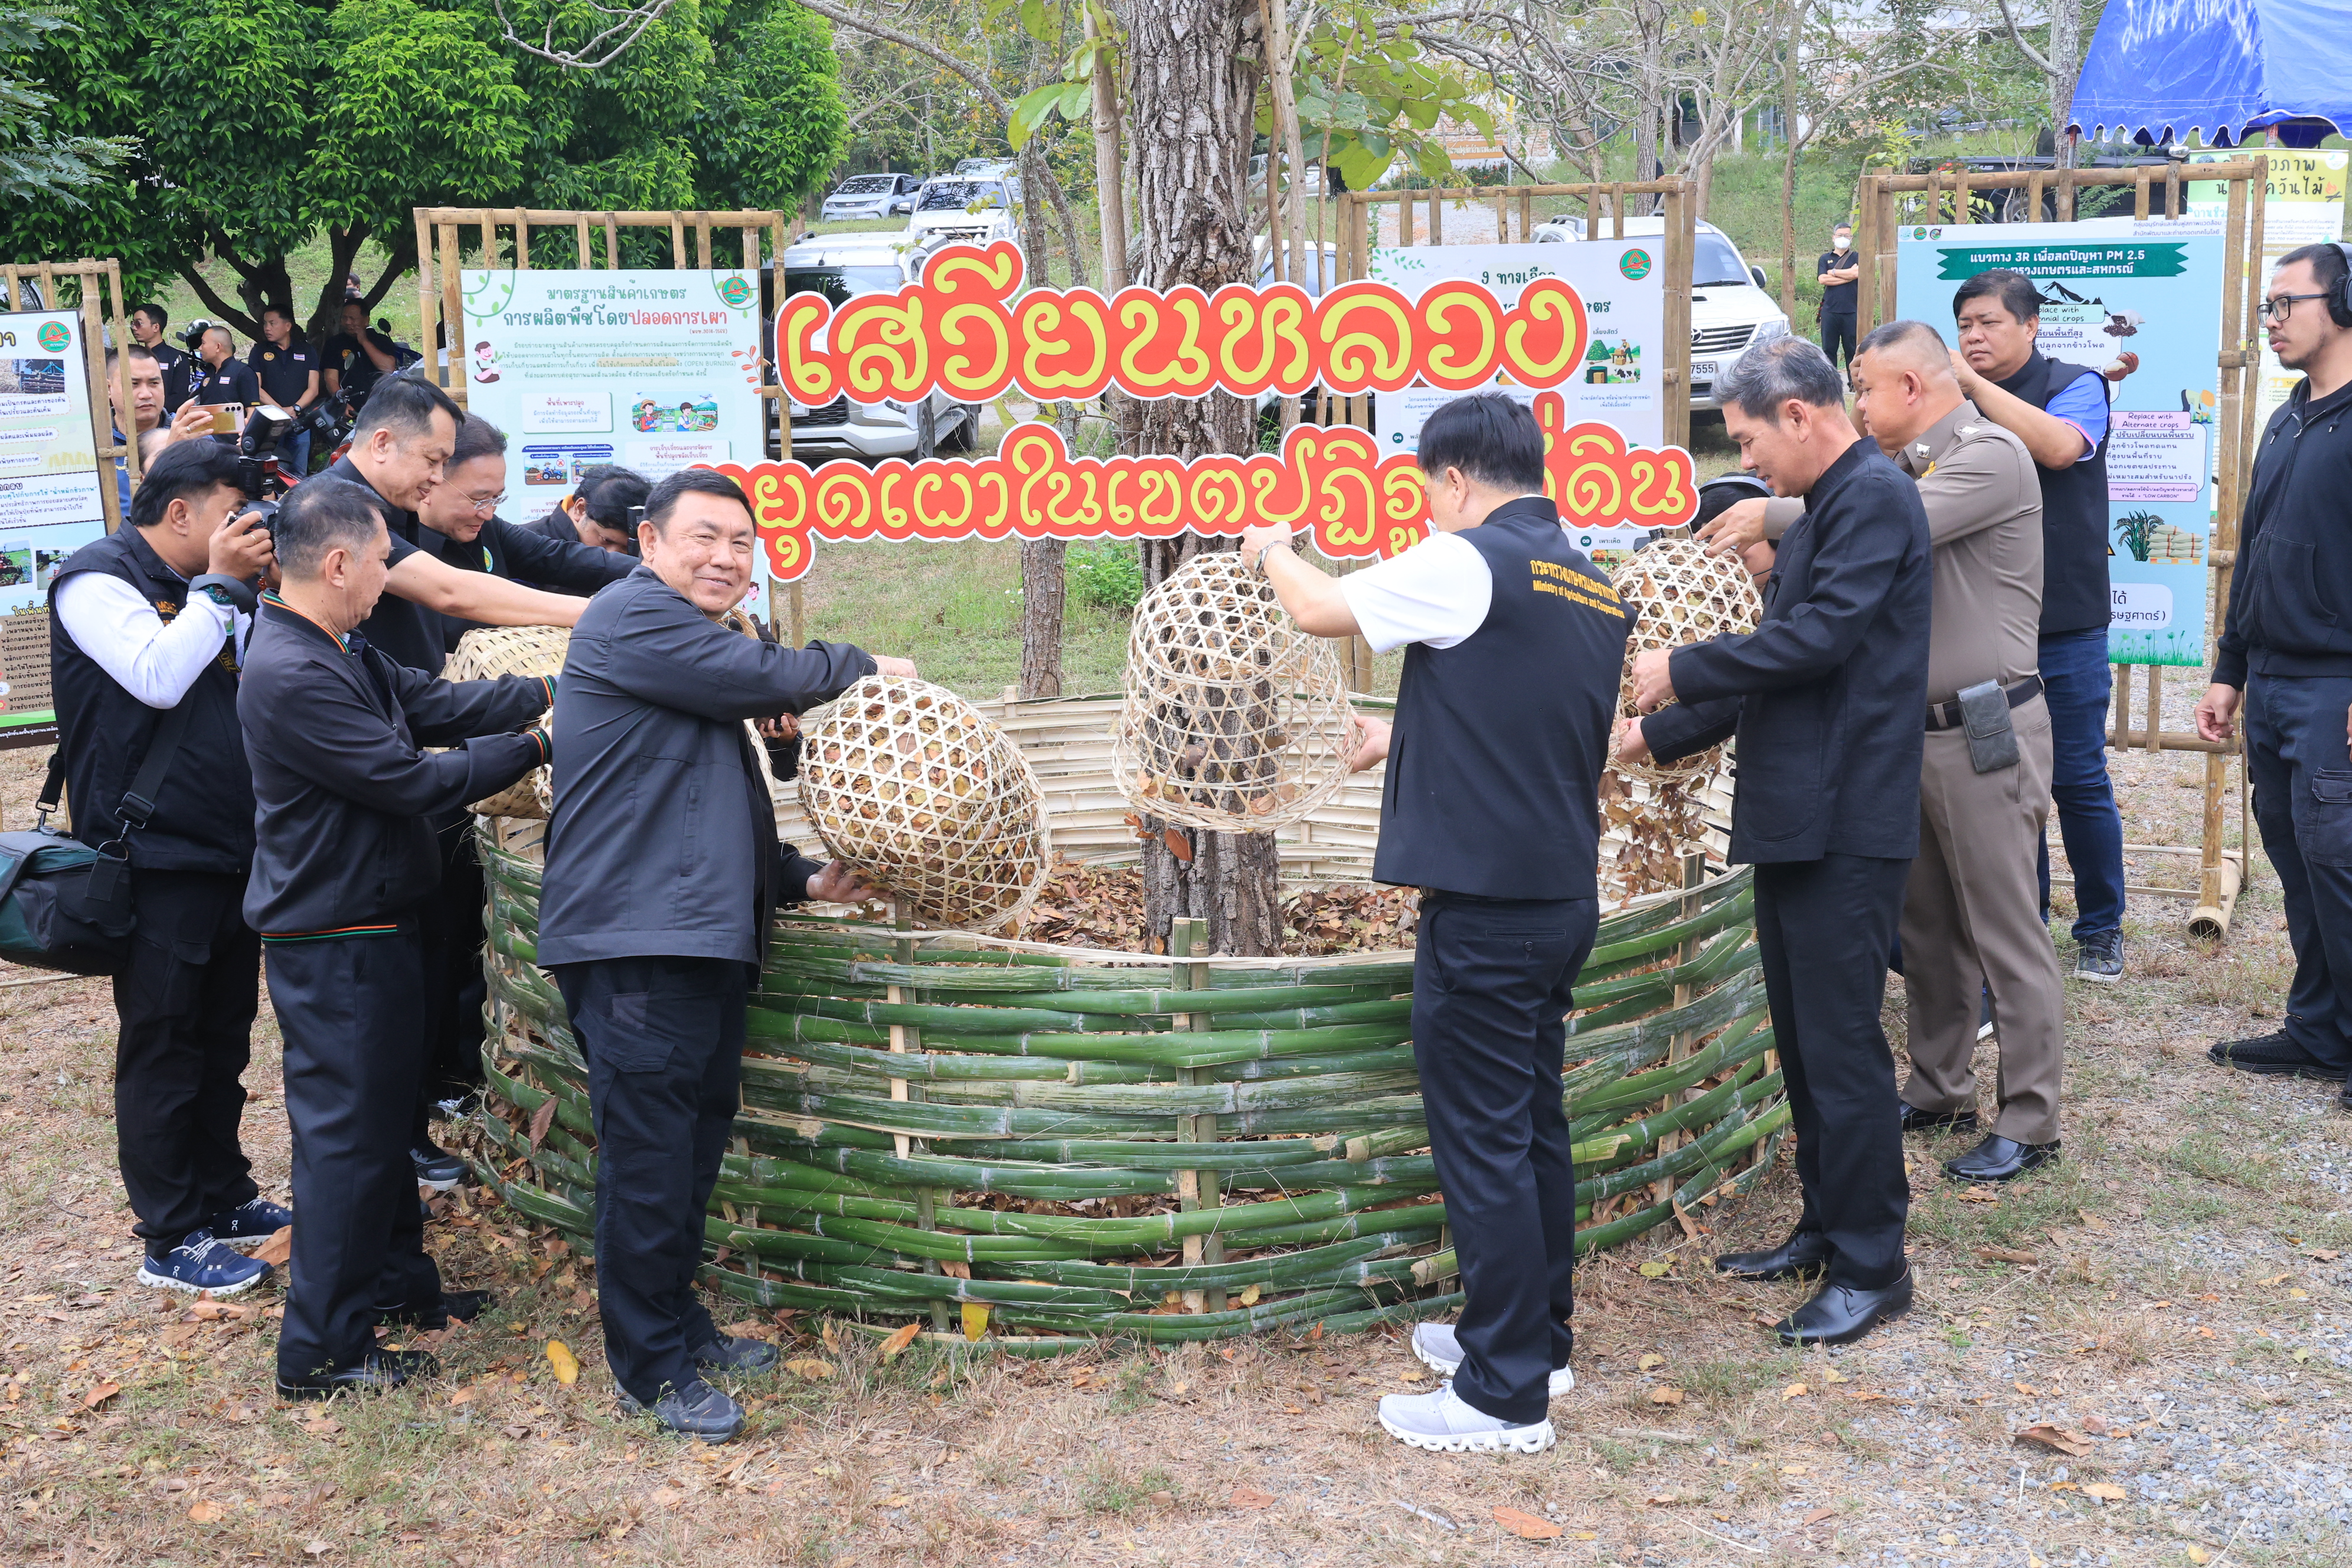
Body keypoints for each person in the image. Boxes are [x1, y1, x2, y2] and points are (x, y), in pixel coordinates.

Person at [1238, 391, 1628, 1457]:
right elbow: (1519, 719)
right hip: (1555, 896)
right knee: (1531, 1127)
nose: (1425, 512)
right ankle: (1535, 1340)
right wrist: (1397, 736)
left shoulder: (1470, 560)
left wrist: (1269, 547)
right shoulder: (1586, 581)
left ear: (1454, 480)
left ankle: (1501, 1397)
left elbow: (1319, 609)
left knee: (1484, 1143)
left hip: (1487, 912)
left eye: (1424, 493)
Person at [538, 469, 906, 1442]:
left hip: (690, 941)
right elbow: (772, 676)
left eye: (741, 543)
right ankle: (649, 1369)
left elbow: (696, 806)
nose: (726, 557)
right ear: (649, 542)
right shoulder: (632, 617)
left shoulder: (687, 656)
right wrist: (868, 665)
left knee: (688, 1153)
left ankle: (679, 1328)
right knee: (650, 1163)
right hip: (636, 945)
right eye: (704, 536)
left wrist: (799, 879)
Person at [1618, 335, 1930, 1346]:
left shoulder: (1872, 500)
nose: (1746, 462)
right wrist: (1650, 733)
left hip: (1846, 820)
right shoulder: (1827, 508)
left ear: (1798, 413)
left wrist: (1681, 666)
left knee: (1841, 1047)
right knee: (1801, 1042)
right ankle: (1826, 1225)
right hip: (1797, 818)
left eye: (1749, 440)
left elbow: (1815, 642)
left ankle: (1874, 1265)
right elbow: (1774, 672)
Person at [1707, 323, 2067, 1182]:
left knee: (2004, 925)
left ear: (1912, 386)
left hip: (1984, 725)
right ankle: (1941, 1085)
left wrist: (1771, 511)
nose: (1858, 405)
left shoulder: (1987, 457)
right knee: (1928, 925)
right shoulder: (1900, 471)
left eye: (1865, 387)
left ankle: (2031, 1114)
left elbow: (1888, 520)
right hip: (1909, 729)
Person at [240, 478, 555, 1400]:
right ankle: (321, 1353)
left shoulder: (337, 644)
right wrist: (542, 745)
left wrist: (550, 688)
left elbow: (432, 705)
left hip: (376, 921)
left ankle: (396, 1287)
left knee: (382, 1127)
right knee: (347, 1143)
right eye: (383, 563)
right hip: (334, 937)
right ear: (338, 563)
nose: (390, 580)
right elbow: (410, 780)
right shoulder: (292, 670)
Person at [48, 440, 281, 1295]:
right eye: (231, 513)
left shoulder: (213, 587)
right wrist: (219, 586)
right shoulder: (95, 580)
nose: (246, 530)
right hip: (152, 854)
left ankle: (224, 1195)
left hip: (228, 848)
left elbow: (248, 682)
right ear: (180, 512)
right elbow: (157, 676)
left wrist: (241, 593)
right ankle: (172, 1234)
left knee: (222, 1038)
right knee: (164, 1044)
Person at [403, 415, 636, 1178]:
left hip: (492, 765)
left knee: (473, 927)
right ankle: (428, 1083)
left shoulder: (491, 535)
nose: (485, 511)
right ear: (428, 480)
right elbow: (465, 603)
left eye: (495, 498)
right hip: (430, 764)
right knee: (431, 941)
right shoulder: (405, 551)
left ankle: (459, 1069)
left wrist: (658, 579)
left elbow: (572, 563)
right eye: (473, 495)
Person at [2197, 242, 2352, 1101]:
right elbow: (2254, 549)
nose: (2271, 321)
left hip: (2337, 684)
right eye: (2267, 306)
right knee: (2298, 858)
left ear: (2343, 304)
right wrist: (2230, 667)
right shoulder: (2288, 417)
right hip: (2274, 678)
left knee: (2342, 862)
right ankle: (2320, 1030)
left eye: (2286, 304)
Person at [1945, 269, 2126, 984]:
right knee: (2005, 783)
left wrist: (1969, 386)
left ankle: (2101, 927)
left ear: (2030, 325)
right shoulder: (1951, 403)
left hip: (2066, 629)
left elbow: (2057, 448)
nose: (1974, 336)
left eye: (1988, 322)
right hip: (1986, 633)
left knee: (2076, 781)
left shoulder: (2077, 384)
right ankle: (2028, 924)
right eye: (1964, 325)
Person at [319, 373, 593, 678]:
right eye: (432, 460)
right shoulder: (331, 508)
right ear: (382, 444)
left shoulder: (390, 505)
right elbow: (448, 591)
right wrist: (600, 614)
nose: (438, 477)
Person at [104, 346, 213, 515]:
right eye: (133, 384)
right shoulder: (95, 442)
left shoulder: (193, 436)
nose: (146, 394)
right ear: (108, 388)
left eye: (154, 383)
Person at [524, 466, 649, 586]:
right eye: (606, 540)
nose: (615, 556)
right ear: (581, 509)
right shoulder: (526, 546)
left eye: (626, 548)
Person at [247, 305, 321, 477]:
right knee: (272, 471)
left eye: (272, 323)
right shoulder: (259, 351)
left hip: (299, 420)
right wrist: (280, 411)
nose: (267, 328)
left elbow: (314, 389)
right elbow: (255, 388)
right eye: (265, 323)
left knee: (299, 473)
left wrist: (295, 408)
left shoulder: (307, 350)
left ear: (288, 326)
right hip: (270, 422)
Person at [323, 298, 400, 404]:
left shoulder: (381, 340)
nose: (348, 322)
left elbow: (388, 368)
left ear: (366, 320)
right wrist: (341, 402)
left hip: (380, 404)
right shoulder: (334, 343)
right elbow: (331, 378)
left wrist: (364, 342)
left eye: (353, 319)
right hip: (348, 404)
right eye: (344, 318)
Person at [191, 326, 262, 430]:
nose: (200, 348)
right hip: (206, 436)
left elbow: (252, 411)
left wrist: (245, 436)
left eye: (203, 343)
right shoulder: (209, 373)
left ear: (218, 347)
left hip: (232, 439)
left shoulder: (243, 372)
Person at [128, 303, 195, 412]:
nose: (134, 328)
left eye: (139, 323)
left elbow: (179, 397)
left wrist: (155, 412)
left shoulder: (177, 358)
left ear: (156, 327)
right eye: (133, 323)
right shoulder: (132, 357)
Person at [1817, 223, 1860, 375]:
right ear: (1834, 237)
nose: (1843, 238)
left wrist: (1833, 272)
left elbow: (1857, 274)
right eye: (1840, 235)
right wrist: (1848, 276)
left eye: (1847, 236)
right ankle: (1831, 383)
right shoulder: (1825, 258)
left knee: (1852, 350)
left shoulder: (1857, 257)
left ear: (1851, 238)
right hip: (1830, 311)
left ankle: (1853, 384)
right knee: (1829, 350)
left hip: (1852, 311)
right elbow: (1823, 279)